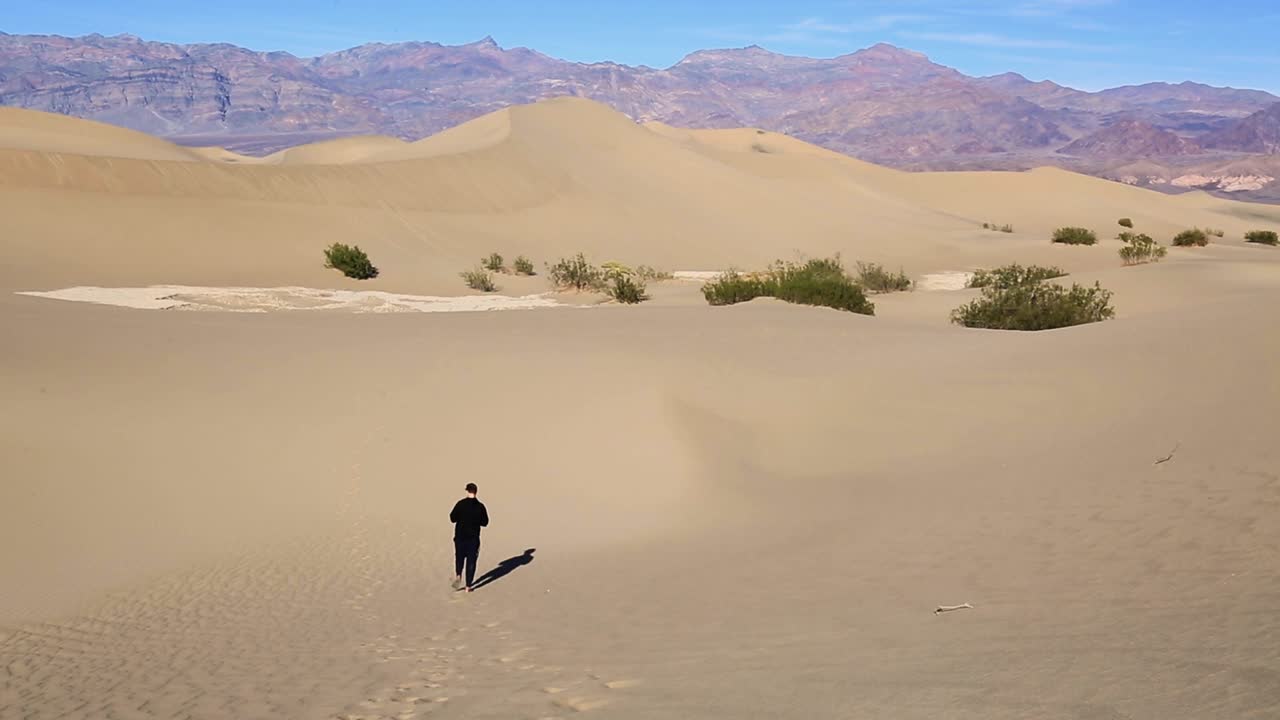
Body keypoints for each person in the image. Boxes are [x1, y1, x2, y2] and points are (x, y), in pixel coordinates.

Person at [450, 482, 489, 592]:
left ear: (467, 491)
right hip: (473, 538)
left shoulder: (460, 504)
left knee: (459, 557)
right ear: (476, 492)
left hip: (460, 537)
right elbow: (485, 522)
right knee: (471, 561)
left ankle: (458, 575)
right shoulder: (480, 506)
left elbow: (452, 518)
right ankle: (468, 586)